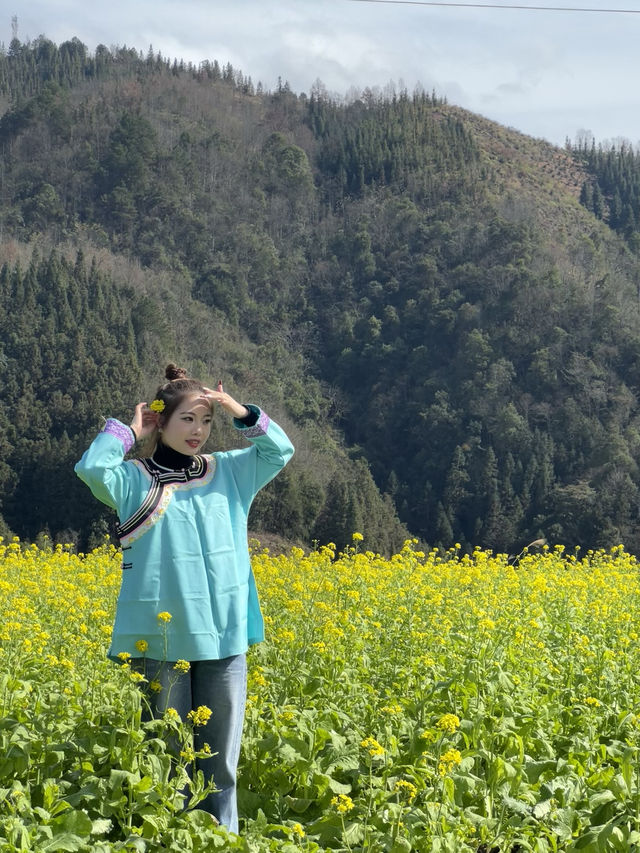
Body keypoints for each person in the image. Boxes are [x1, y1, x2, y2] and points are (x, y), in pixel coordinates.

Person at [75, 363, 294, 834]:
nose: (199, 431)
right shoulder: (132, 480)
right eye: (187, 420)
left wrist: (236, 410)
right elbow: (92, 467)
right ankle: (170, 838)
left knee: (220, 766)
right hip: (161, 640)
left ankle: (220, 839)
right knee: (167, 759)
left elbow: (281, 449)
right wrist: (129, 430)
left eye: (206, 421)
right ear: (163, 422)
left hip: (224, 635)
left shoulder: (230, 471)